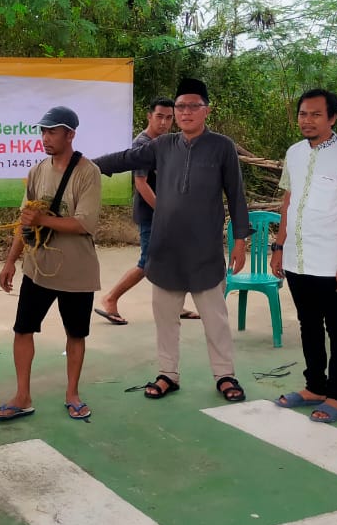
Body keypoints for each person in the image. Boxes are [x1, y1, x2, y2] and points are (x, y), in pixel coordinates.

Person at [94, 78, 252, 403]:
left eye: (193, 106)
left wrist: (240, 240)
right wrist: (86, 164)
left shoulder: (222, 146)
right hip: (165, 248)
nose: (185, 112)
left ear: (206, 110)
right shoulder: (162, 146)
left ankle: (225, 375)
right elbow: (126, 158)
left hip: (205, 249)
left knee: (215, 319)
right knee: (165, 317)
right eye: (180, 107)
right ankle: (168, 373)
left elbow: (236, 194)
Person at [0, 106, 102, 422]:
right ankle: (22, 396)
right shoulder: (38, 170)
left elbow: (85, 223)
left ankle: (73, 395)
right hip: (38, 269)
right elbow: (25, 222)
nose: (46, 137)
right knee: (23, 329)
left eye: (53, 131)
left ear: (70, 134)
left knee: (76, 334)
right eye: (43, 131)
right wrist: (10, 261)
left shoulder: (87, 172)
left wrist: (43, 218)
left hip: (77, 271)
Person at [270, 89, 337, 423]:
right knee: (307, 323)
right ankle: (314, 386)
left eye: (315, 114)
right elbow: (287, 201)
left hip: (331, 260)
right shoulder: (294, 153)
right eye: (302, 114)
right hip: (297, 257)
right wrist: (279, 246)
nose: (307, 120)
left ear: (332, 118)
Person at [95, 98, 198, 326]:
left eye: (169, 118)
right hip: (151, 214)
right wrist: (164, 212)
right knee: (147, 262)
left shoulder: (169, 142)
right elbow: (141, 183)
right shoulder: (142, 144)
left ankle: (176, 305)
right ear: (149, 116)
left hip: (169, 213)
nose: (164, 122)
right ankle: (110, 298)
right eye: (159, 116)